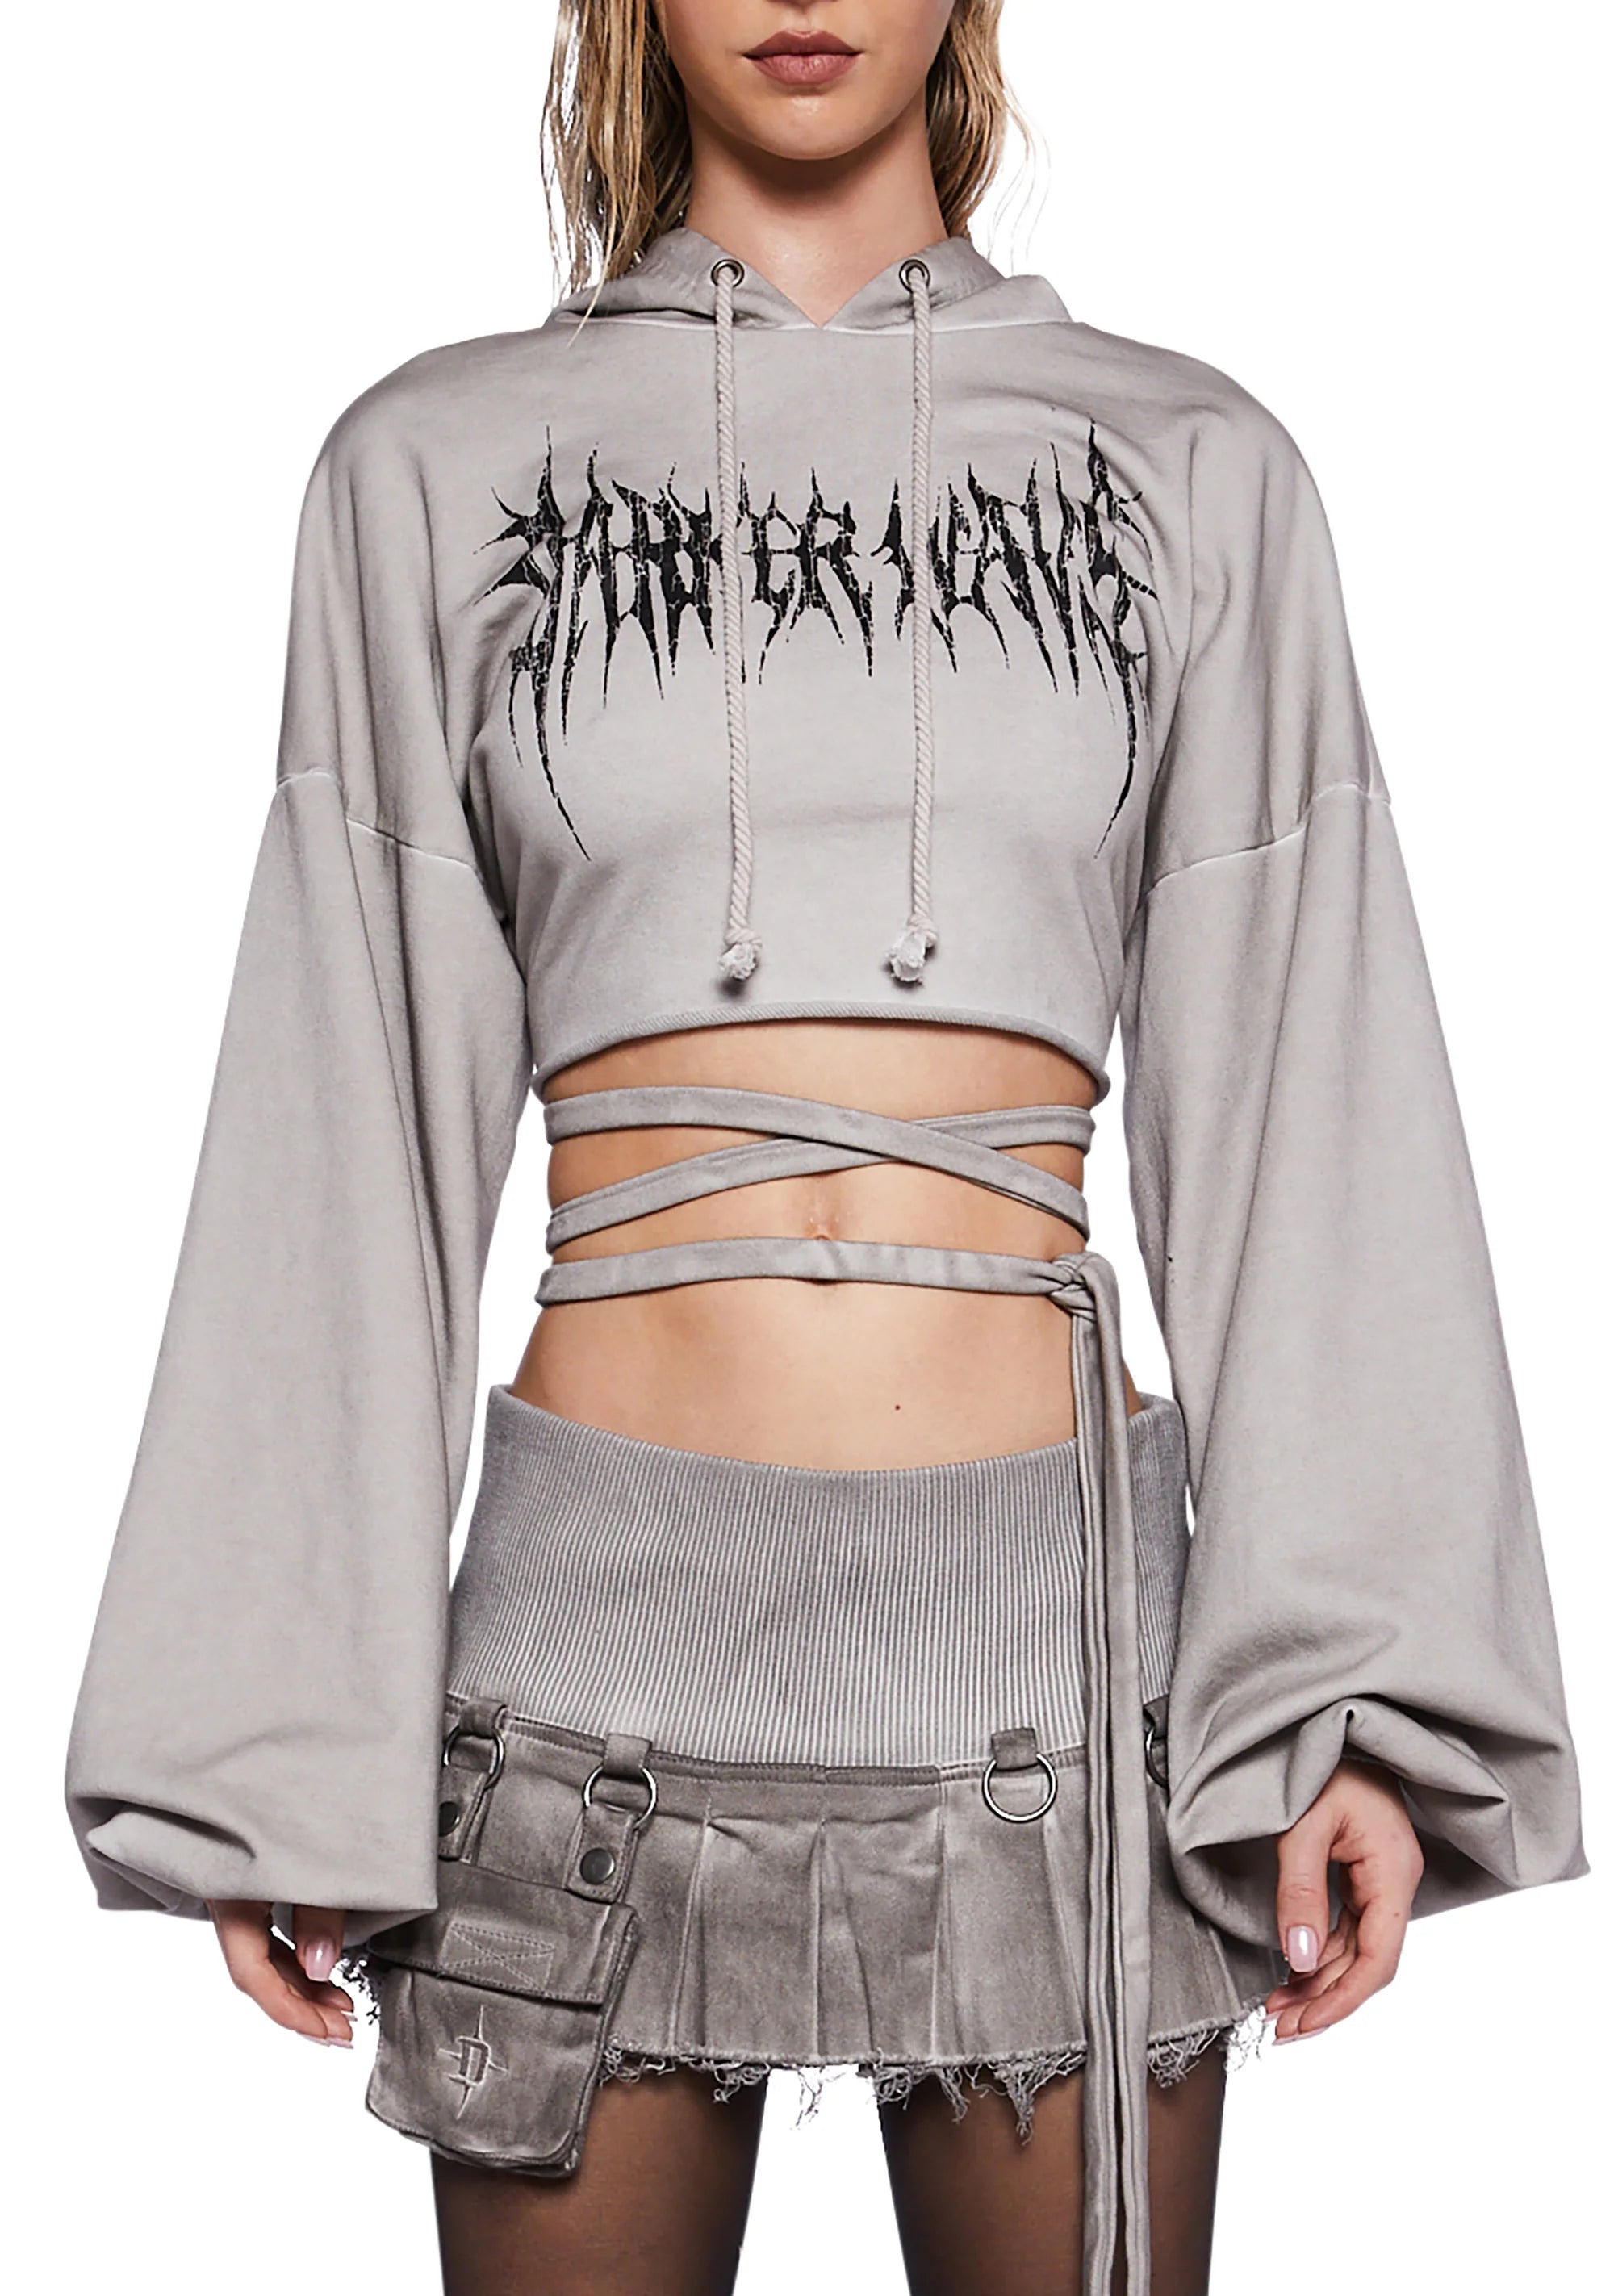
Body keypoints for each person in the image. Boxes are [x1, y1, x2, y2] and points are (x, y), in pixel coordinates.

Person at [63, 4, 1587, 2292]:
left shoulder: (1194, 469)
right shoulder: (430, 468)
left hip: (1053, 1671)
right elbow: (337, 1095)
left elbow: (1314, 1077)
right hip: (590, 1667)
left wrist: (1350, 1704)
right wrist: (283, 1738)